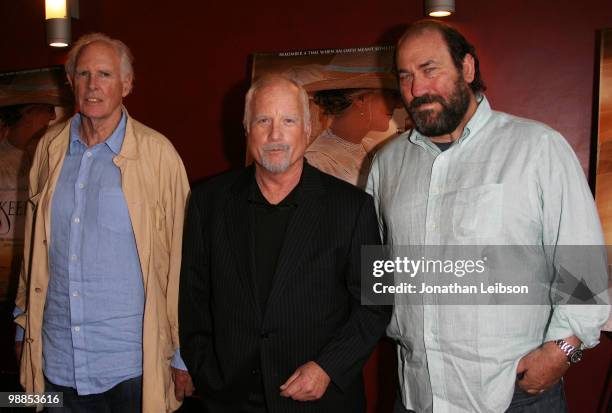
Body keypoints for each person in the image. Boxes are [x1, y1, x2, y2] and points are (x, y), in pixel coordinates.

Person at [366, 20, 610, 412]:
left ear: (467, 68)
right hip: (417, 393)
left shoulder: (537, 148)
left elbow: (586, 271)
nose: (417, 89)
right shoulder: (387, 164)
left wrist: (564, 351)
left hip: (514, 394)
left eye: (430, 70)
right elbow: (377, 268)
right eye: (406, 76)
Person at [179, 75, 390, 412]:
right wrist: (207, 373)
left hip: (321, 401)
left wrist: (327, 368)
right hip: (230, 399)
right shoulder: (208, 201)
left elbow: (377, 303)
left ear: (308, 130)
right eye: (263, 120)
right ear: (247, 129)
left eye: (288, 121)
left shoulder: (354, 207)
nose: (275, 134)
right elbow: (192, 297)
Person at [13, 33, 192, 412]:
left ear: (127, 84)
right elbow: (33, 247)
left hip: (129, 367)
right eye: (84, 74)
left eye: (105, 74)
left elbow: (184, 260)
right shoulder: (48, 149)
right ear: (71, 82)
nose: (93, 85)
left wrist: (182, 353)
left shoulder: (159, 155)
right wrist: (21, 322)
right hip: (57, 362)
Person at [305, 88, 398, 188]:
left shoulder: (370, 148)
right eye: (387, 94)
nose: (397, 105)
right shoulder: (318, 162)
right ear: (361, 99)